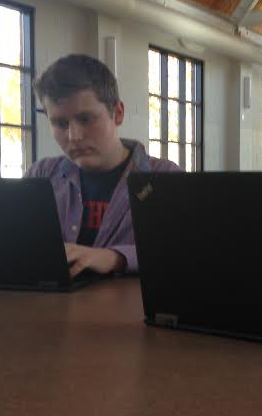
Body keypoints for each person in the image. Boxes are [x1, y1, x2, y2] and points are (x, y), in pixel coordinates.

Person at [27, 54, 180, 277]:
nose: (74, 136)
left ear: (117, 113)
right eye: (60, 123)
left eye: (86, 119)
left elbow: (187, 252)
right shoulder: (41, 175)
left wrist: (116, 257)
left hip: (131, 311)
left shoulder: (165, 178)